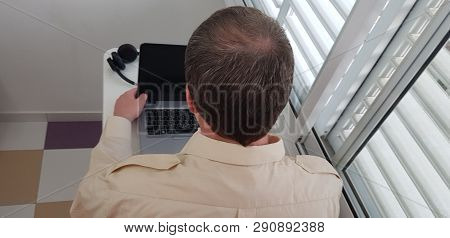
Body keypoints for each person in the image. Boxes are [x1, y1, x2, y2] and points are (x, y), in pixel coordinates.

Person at [70, 6, 342, 217]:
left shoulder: (120, 192)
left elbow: (88, 201)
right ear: (281, 101)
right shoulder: (325, 185)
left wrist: (119, 121)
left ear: (190, 99)